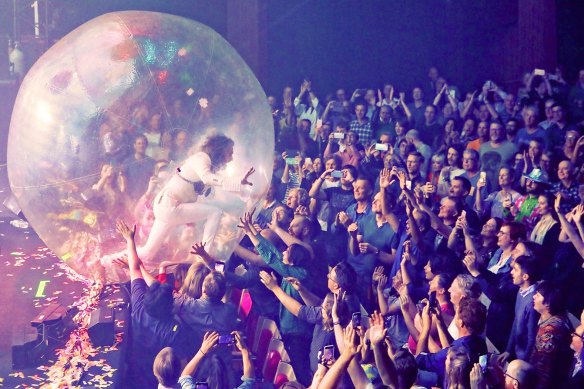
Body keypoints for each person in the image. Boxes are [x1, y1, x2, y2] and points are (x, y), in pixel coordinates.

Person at [105, 135, 255, 265]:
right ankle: (206, 254)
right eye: (230, 153)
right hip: (169, 206)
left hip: (166, 206)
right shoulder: (201, 158)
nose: (231, 157)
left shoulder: (206, 164)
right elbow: (208, 178)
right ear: (221, 150)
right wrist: (238, 183)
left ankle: (106, 261)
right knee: (214, 213)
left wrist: (242, 189)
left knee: (147, 253)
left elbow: (215, 183)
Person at [530, 281, 573, 389]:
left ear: (548, 303)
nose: (534, 297)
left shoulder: (549, 333)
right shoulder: (558, 318)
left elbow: (544, 373)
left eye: (538, 295)